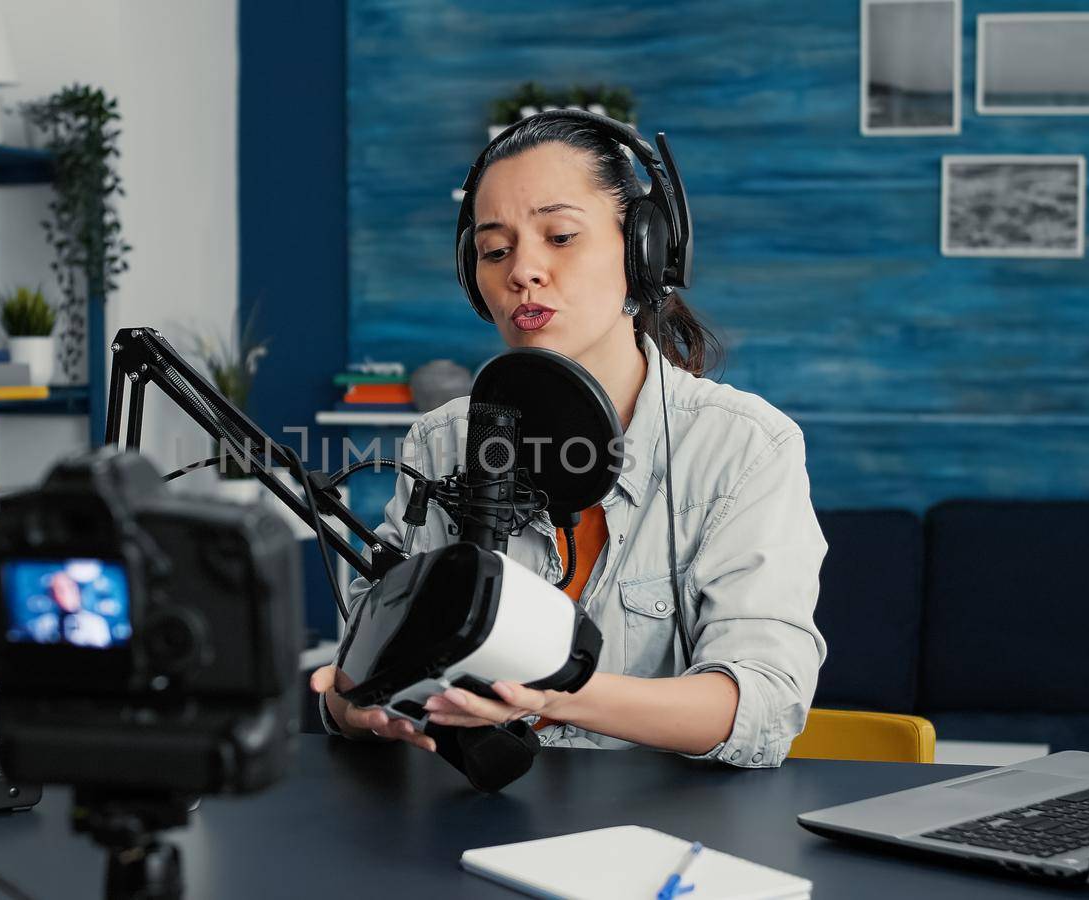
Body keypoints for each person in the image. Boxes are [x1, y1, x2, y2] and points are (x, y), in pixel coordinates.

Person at [309, 112, 827, 768]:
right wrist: (352, 706)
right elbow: (365, 666)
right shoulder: (441, 440)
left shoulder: (746, 448)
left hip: (665, 833)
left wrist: (553, 694)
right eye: (495, 250)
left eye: (559, 236)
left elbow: (760, 707)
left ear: (643, 251)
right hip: (460, 828)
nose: (523, 270)